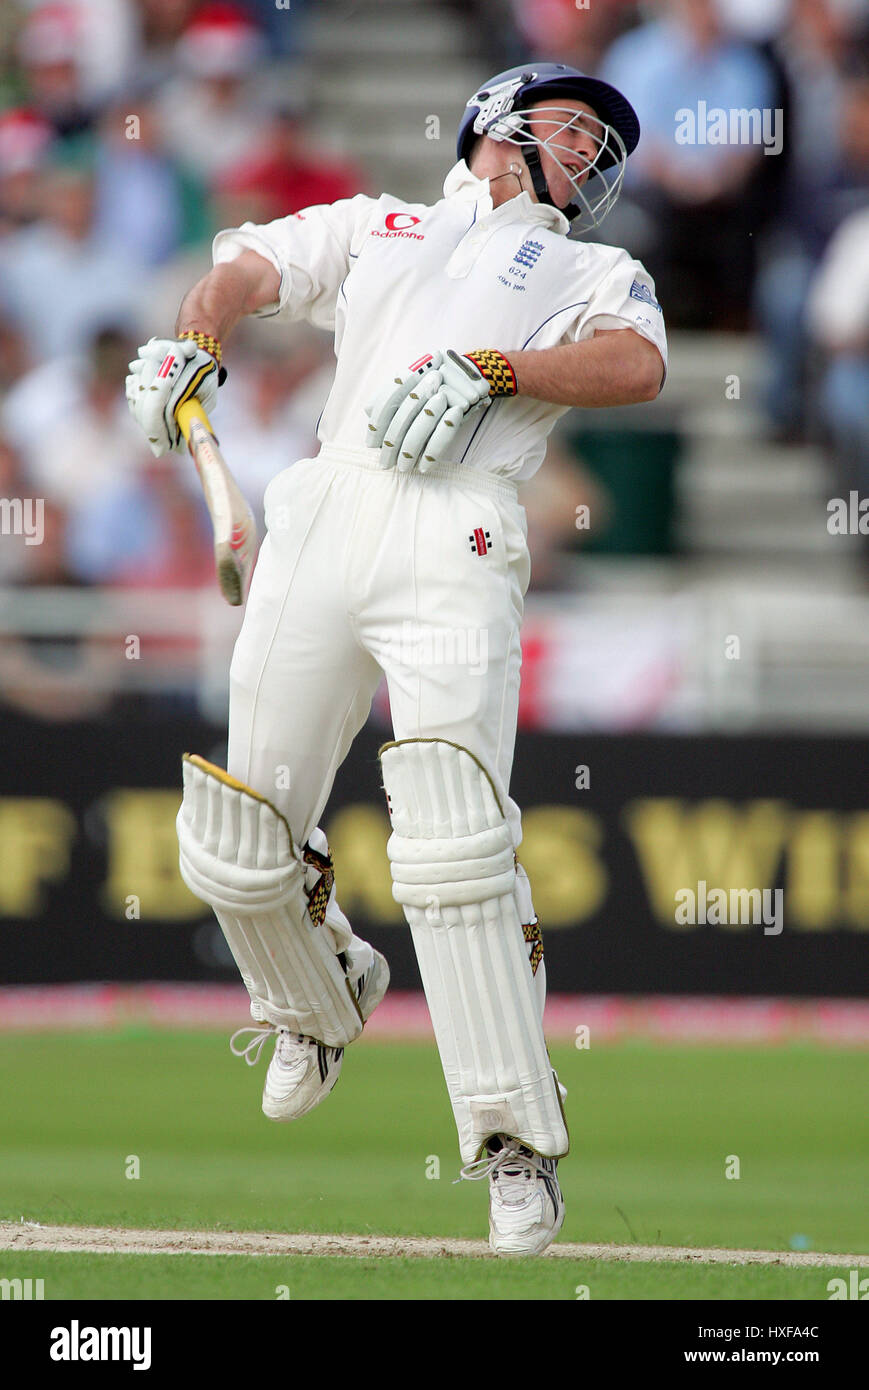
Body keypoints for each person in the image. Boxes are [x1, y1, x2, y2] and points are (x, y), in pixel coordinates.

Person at [125, 62, 667, 1257]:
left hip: (459, 524)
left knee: (453, 850)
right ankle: (318, 997)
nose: (583, 150)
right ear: (494, 121)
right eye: (567, 124)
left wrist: (494, 369)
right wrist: (193, 347)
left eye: (600, 142)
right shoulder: (385, 224)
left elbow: (637, 366)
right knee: (234, 835)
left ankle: (510, 1144)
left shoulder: (594, 272)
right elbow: (246, 272)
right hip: (322, 507)